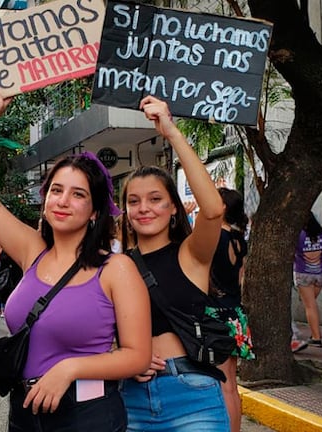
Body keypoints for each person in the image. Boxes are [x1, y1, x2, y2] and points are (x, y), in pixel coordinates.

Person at [0, 94, 151, 432]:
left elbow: (137, 355)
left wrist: (69, 369)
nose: (63, 201)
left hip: (86, 416)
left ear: (95, 211)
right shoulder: (31, 251)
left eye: (78, 194)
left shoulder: (116, 269)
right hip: (24, 413)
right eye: (55, 190)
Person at [119, 96, 228, 432]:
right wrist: (123, 358)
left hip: (192, 397)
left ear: (172, 209)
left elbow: (213, 211)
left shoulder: (191, 254)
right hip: (130, 400)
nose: (144, 208)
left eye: (155, 199)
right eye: (134, 201)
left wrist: (173, 133)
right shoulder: (116, 266)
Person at [205, 187, 253, 432]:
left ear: (222, 208)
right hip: (236, 313)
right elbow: (240, 279)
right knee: (232, 384)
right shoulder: (239, 240)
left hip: (216, 314)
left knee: (223, 383)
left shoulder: (214, 238)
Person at [294, 212, 322, 347]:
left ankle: (316, 337)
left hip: (303, 273)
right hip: (319, 274)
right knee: (312, 304)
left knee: (310, 306)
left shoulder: (297, 234)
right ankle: (315, 333)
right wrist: (320, 252)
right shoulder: (321, 233)